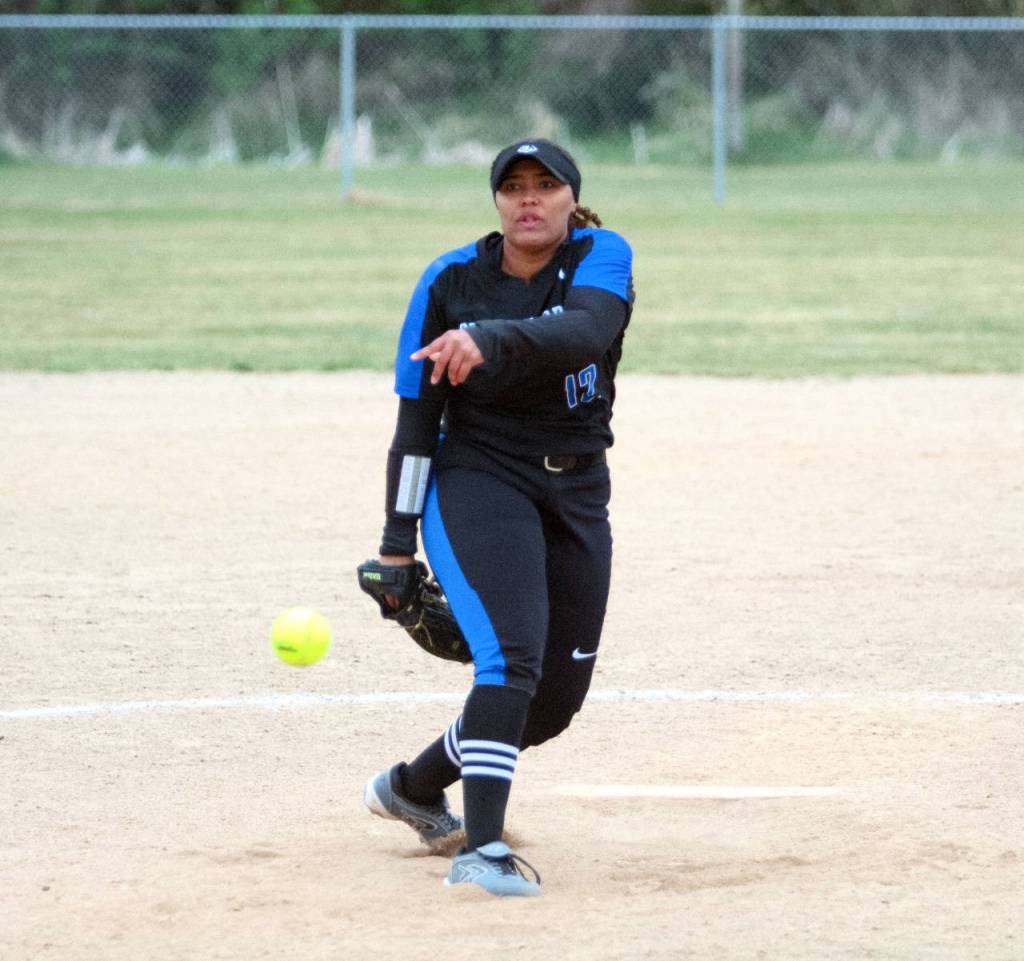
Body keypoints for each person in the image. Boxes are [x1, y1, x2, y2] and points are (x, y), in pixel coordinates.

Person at [362, 138, 635, 897]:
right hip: (478, 478)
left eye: (545, 185)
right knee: (511, 658)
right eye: (512, 185)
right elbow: (417, 426)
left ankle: (413, 786)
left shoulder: (600, 255)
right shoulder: (450, 281)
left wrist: (486, 339)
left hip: (579, 491)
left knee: (547, 704)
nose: (528, 198)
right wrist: (394, 544)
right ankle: (480, 851)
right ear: (496, 202)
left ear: (570, 200)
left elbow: (582, 333)